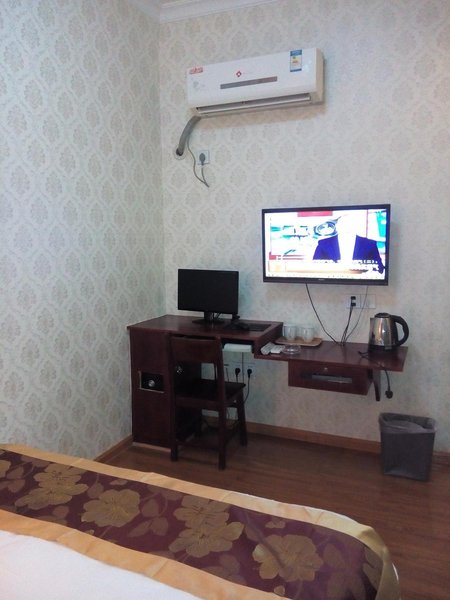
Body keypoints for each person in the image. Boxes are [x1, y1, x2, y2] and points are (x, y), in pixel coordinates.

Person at [312, 215, 385, 274]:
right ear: (336, 227)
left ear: (356, 227)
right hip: (330, 282)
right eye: (343, 225)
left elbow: (379, 268)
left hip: (360, 282)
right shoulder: (323, 244)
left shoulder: (370, 244)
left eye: (350, 224)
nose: (346, 227)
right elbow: (315, 267)